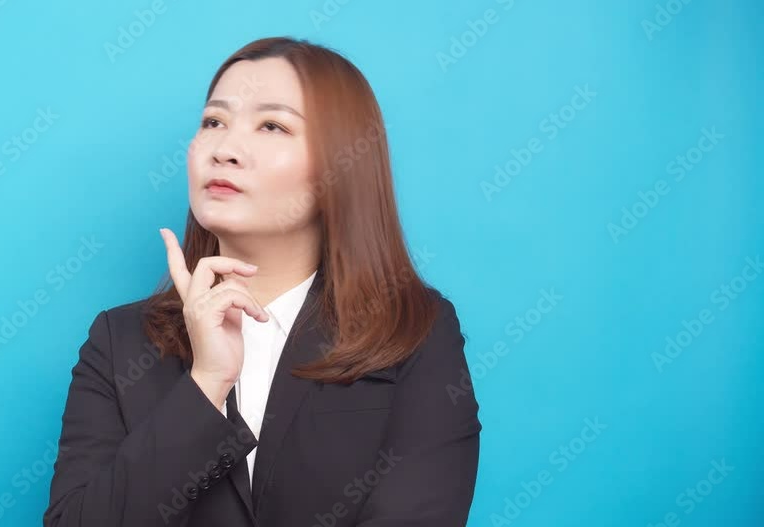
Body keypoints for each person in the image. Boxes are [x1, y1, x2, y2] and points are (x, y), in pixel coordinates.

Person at [43, 36, 482, 526]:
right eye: (214, 122)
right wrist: (205, 386)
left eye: (272, 125)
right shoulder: (118, 340)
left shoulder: (414, 330)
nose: (225, 149)